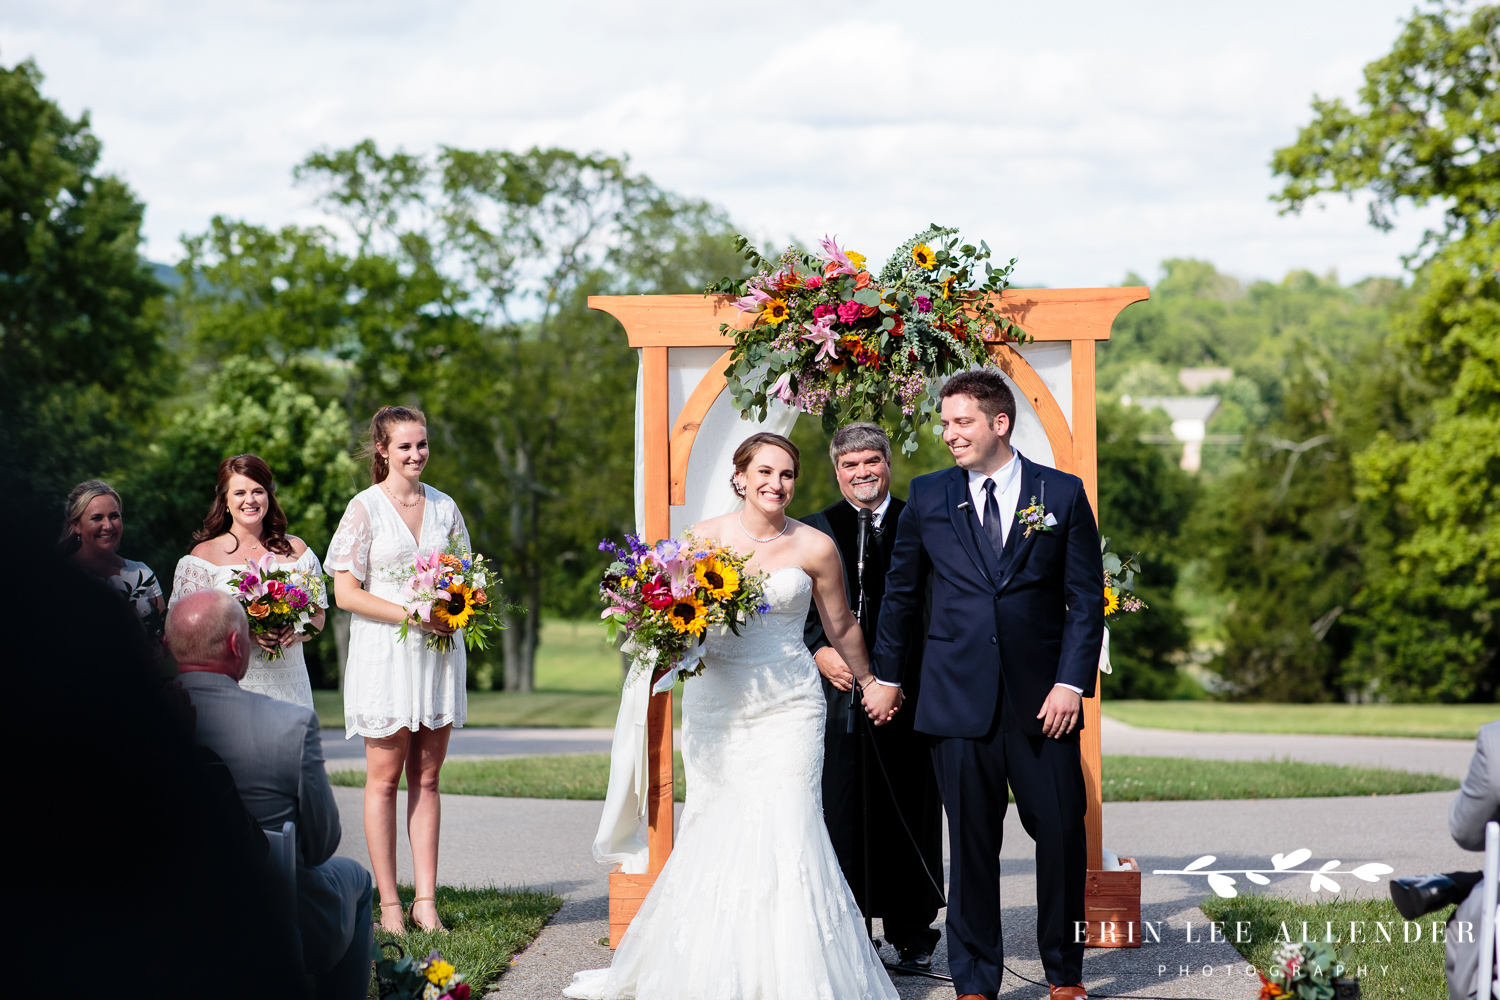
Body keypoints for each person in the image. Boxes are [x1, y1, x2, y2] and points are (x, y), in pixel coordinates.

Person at [565, 432, 898, 1000]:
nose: (776, 484)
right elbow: (674, 615)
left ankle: (795, 974)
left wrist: (869, 681)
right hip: (720, 702)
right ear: (740, 477)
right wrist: (657, 638)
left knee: (790, 819)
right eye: (764, 472)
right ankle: (716, 969)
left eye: (787, 474)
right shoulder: (702, 540)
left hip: (791, 703)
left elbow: (839, 625)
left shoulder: (815, 546)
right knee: (718, 822)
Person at [863, 369, 1104, 1000]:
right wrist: (887, 676)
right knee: (970, 846)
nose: (949, 435)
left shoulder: (1063, 494)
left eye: (961, 421)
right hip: (955, 699)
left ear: (1000, 423)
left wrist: (1070, 685)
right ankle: (975, 981)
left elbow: (1085, 601)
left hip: (1044, 703)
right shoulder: (930, 495)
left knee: (1060, 833)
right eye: (944, 423)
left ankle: (1064, 973)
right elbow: (902, 597)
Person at [169, 589, 373, 1000]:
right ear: (235, 645)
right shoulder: (290, 722)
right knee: (356, 878)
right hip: (283, 921)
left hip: (163, 922)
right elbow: (319, 846)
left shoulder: (130, 719)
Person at [801, 422, 944, 969]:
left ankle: (912, 930)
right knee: (844, 807)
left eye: (871, 462)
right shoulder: (816, 530)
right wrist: (819, 649)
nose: (862, 473)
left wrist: (898, 677)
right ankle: (852, 929)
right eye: (850, 465)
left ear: (888, 463)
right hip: (839, 695)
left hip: (909, 690)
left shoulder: (922, 520)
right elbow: (799, 609)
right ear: (837, 471)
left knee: (911, 805)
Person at [328, 405, 467, 934]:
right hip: (385, 655)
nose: (416, 455)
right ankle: (389, 904)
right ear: (382, 450)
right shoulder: (363, 509)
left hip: (435, 657)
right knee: (384, 780)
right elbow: (344, 593)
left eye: (423, 444)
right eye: (405, 446)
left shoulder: (446, 508)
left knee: (427, 779)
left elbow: (465, 578)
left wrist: (457, 608)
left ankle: (425, 900)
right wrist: (412, 614)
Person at [169, 455, 328, 709]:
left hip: (290, 686)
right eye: (240, 492)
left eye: (258, 491)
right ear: (225, 500)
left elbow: (319, 616)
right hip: (230, 688)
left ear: (269, 496)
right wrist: (247, 634)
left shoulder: (297, 551)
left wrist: (298, 632)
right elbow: (183, 633)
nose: (250, 500)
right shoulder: (202, 557)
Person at [59, 479, 166, 641]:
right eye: (97, 518)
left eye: (114, 516)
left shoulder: (141, 574)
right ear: (76, 525)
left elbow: (163, 636)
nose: (108, 526)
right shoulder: (58, 576)